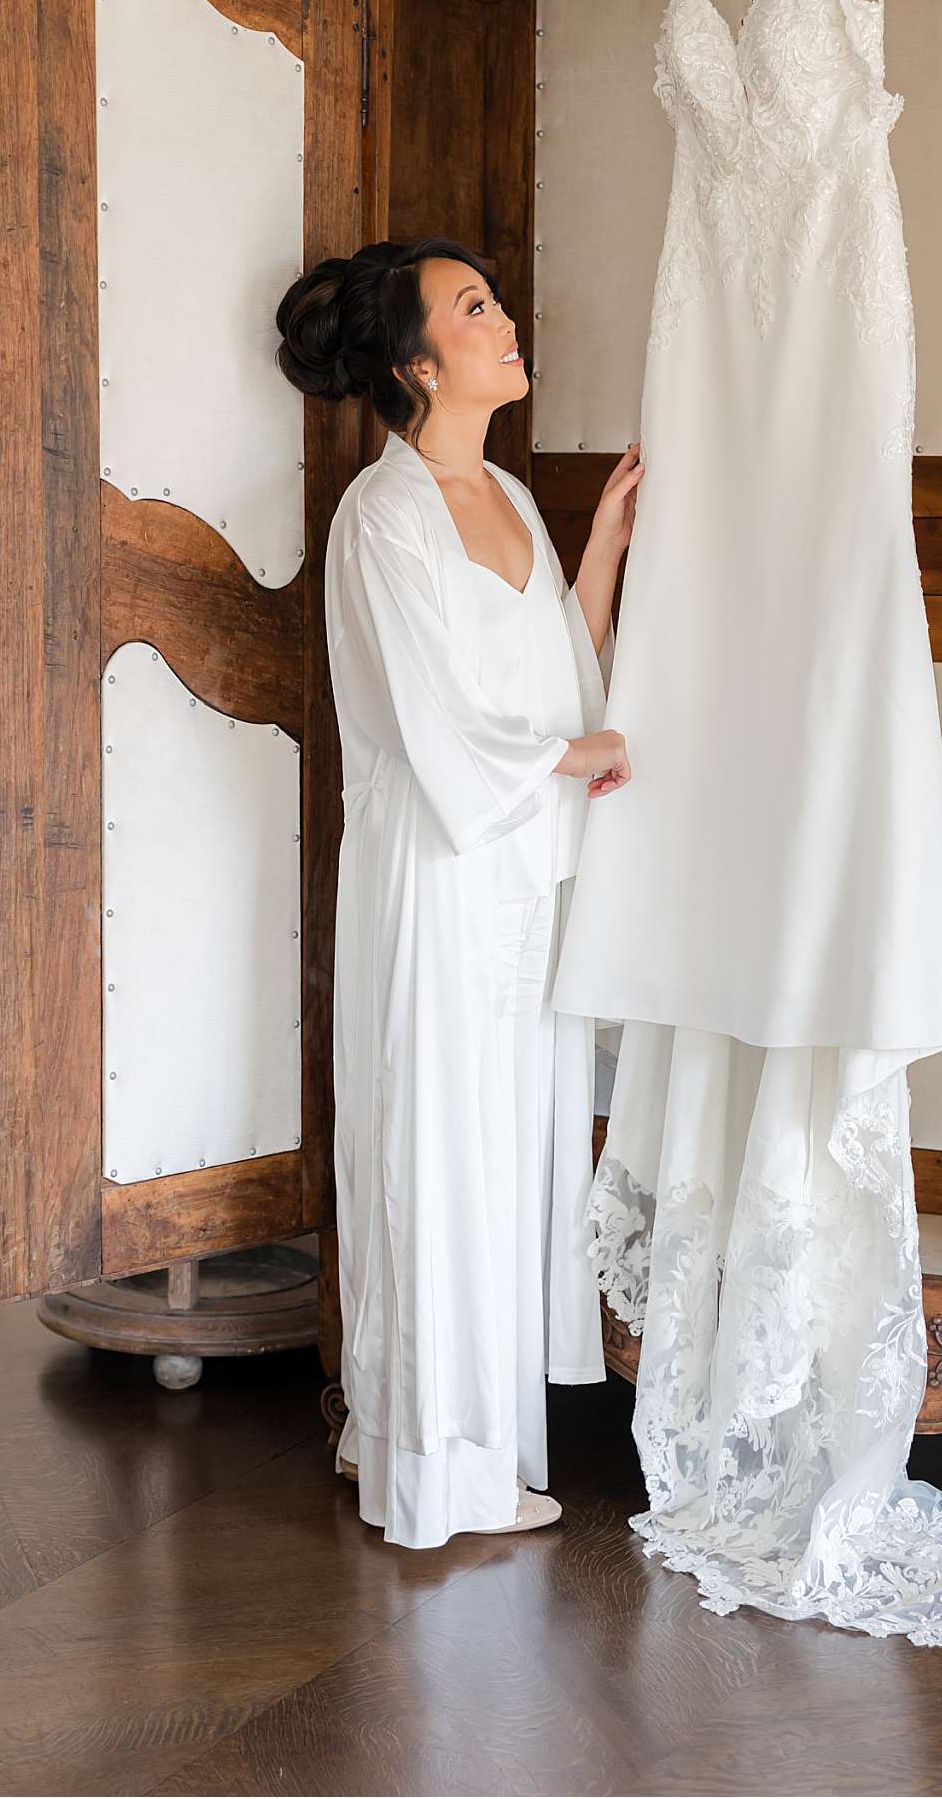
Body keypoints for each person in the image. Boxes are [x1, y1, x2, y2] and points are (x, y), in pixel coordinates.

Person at [275, 236, 643, 1547]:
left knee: (501, 1159)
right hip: (436, 882)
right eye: (473, 308)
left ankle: (431, 1440)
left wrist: (600, 547)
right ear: (418, 363)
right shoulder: (382, 517)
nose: (503, 320)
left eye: (492, 300)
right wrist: (574, 757)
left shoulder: (508, 497)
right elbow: (435, 729)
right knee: (435, 1155)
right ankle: (433, 1467)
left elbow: (554, 675)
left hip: (519, 882)